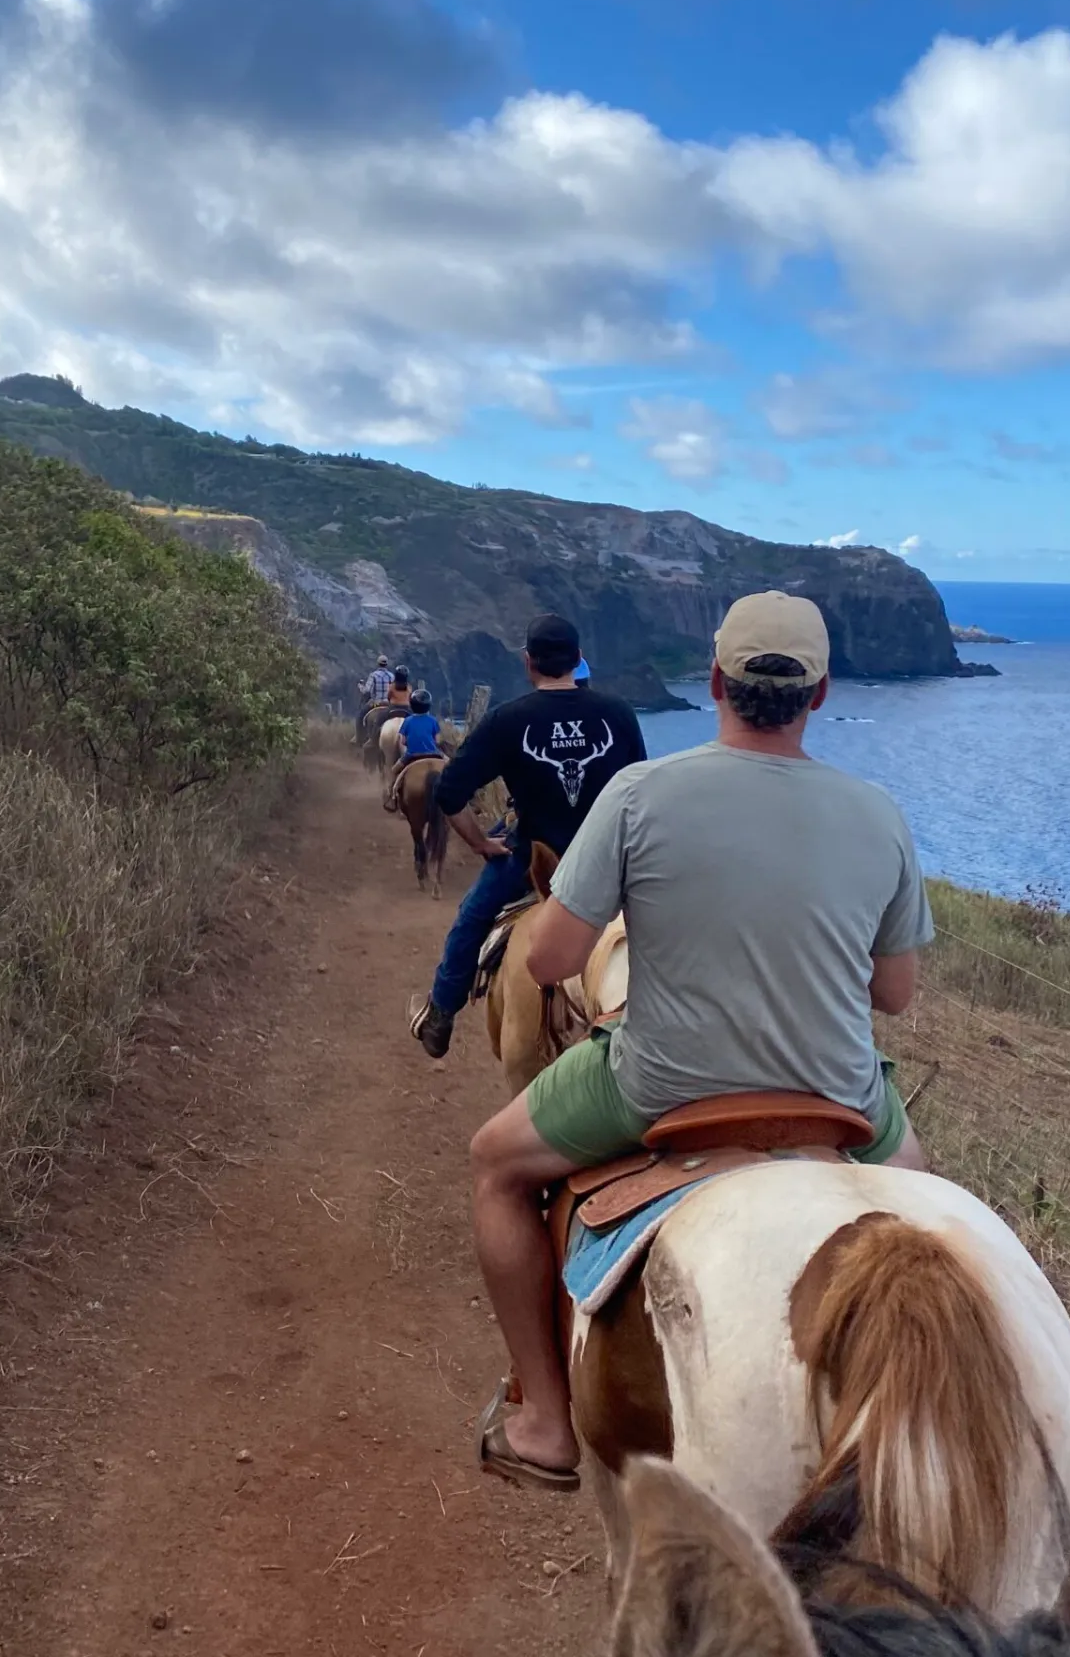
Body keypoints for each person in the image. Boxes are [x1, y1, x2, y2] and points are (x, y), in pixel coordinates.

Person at [464, 590, 935, 1492]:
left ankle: (547, 1423)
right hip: (840, 1094)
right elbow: (897, 995)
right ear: (821, 694)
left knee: (494, 1164)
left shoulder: (641, 794)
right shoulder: (879, 814)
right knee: (931, 1226)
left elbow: (550, 960)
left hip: (661, 1085)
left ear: (715, 681)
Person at [409, 614, 645, 1059]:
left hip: (532, 866)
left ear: (528, 663)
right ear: (578, 660)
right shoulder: (618, 714)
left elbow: (450, 790)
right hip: (609, 869)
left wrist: (481, 843)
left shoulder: (509, 720)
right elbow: (638, 794)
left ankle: (440, 1014)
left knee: (472, 918)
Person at [383, 687, 446, 810]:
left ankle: (392, 797)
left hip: (412, 755)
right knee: (453, 767)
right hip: (434, 753)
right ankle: (468, 799)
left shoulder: (407, 721)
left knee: (394, 770)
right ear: (428, 706)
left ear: (412, 705)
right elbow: (438, 741)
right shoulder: (433, 720)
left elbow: (403, 741)